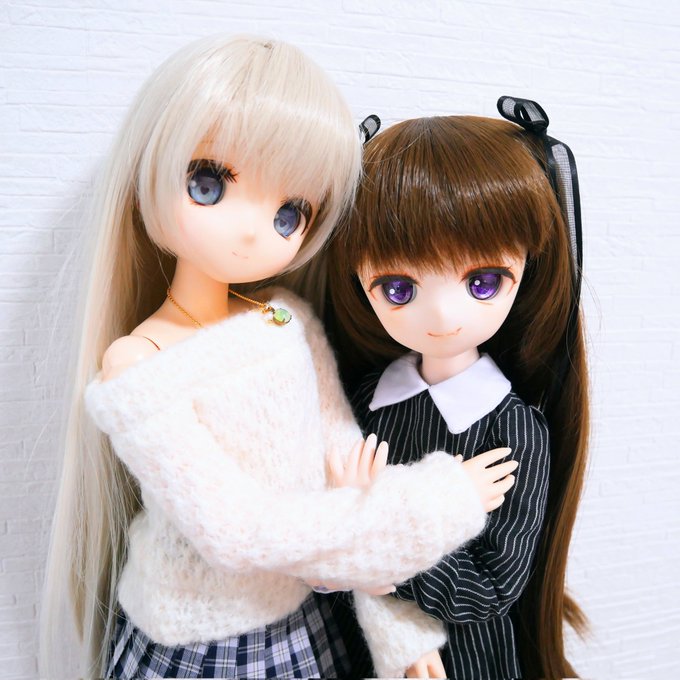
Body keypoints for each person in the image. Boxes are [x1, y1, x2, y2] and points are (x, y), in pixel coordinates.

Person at [39, 36, 518, 679]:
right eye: (208, 184)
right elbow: (236, 531)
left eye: (290, 213)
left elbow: (346, 470)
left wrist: (393, 623)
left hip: (302, 624)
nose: (251, 230)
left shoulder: (282, 316)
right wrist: (437, 503)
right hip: (201, 646)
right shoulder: (139, 363)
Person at [324, 100, 590, 679]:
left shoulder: (511, 428)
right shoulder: (363, 402)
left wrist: (384, 553)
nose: (443, 316)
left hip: (467, 661)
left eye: (483, 282)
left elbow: (493, 585)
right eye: (398, 288)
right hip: (362, 651)